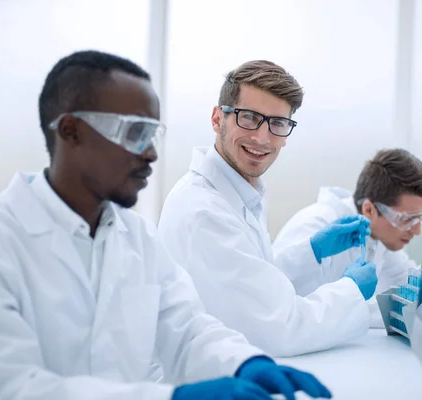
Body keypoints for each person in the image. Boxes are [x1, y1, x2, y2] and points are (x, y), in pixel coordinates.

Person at [0, 51, 332, 400]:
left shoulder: (137, 236)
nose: (151, 153)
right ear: (71, 131)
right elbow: (8, 389)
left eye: (153, 133)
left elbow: (187, 327)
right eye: (133, 132)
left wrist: (243, 363)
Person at [158, 60, 377, 357]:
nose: (262, 138)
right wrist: (351, 289)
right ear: (217, 119)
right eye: (248, 117)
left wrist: (312, 252)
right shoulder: (204, 211)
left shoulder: (236, 194)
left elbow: (253, 281)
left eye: (277, 124)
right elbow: (279, 329)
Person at [273, 149, 422, 324]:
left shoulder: (378, 237)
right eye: (406, 219)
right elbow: (281, 310)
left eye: (419, 219)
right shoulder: (314, 224)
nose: (417, 231)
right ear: (370, 209)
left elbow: (407, 284)